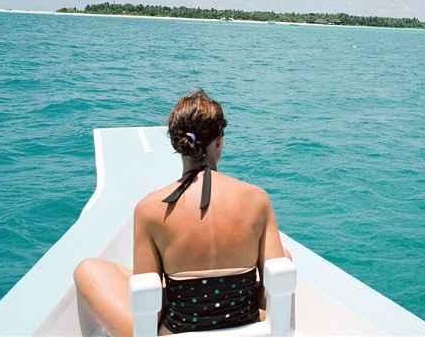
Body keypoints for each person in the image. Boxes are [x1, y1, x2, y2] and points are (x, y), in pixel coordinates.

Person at [74, 90, 288, 336]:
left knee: (88, 268)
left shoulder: (150, 208)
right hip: (248, 328)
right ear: (219, 142)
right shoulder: (256, 199)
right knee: (283, 256)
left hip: (176, 332)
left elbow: (150, 308)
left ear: (177, 144)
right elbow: (272, 292)